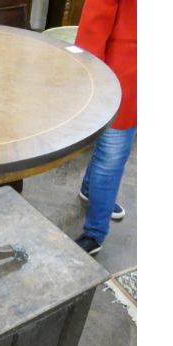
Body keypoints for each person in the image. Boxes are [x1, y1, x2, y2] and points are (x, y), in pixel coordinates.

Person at [74, 0, 137, 255]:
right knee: (111, 155)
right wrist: (88, 77)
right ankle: (95, 232)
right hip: (123, 74)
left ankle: (91, 190)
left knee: (113, 148)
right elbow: (94, 25)